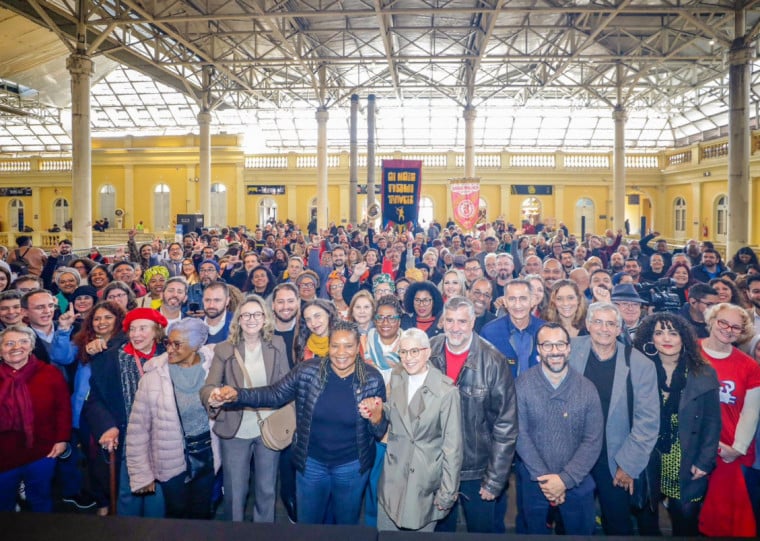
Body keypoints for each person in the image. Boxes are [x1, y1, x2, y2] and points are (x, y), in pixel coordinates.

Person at [208, 320, 388, 525]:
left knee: (346, 525)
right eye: (335, 345)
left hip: (351, 467)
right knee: (307, 525)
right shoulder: (306, 371)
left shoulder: (372, 379)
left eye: (348, 346)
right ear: (328, 346)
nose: (341, 352)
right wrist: (237, 395)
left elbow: (380, 431)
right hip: (311, 465)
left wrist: (377, 417)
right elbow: (274, 394)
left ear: (358, 348)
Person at [567, 302, 660, 535]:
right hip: (573, 454)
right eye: (598, 321)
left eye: (611, 323)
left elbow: (647, 422)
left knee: (618, 523)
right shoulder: (568, 350)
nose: (604, 328)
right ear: (588, 325)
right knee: (570, 522)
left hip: (616, 457)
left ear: (620, 329)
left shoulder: (640, 364)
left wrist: (628, 464)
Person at [359, 327, 463, 531]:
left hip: (423, 483)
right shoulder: (398, 375)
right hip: (392, 477)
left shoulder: (446, 391)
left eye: (414, 351)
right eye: (403, 352)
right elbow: (397, 412)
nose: (408, 358)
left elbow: (453, 448)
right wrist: (376, 409)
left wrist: (448, 493)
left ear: (427, 352)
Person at [430, 296, 517, 533]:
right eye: (450, 321)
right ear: (443, 321)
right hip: (438, 466)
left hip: (478, 470)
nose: (455, 328)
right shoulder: (428, 351)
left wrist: (495, 480)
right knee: (439, 533)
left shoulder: (493, 360)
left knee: (480, 533)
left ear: (472, 322)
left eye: (462, 321)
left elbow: (506, 425)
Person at [199, 295, 290, 522]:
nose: (252, 319)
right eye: (246, 315)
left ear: (265, 318)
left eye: (257, 314)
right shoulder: (224, 348)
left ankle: (263, 533)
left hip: (268, 428)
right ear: (238, 319)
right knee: (234, 491)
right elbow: (207, 387)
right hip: (234, 429)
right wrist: (214, 397)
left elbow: (286, 385)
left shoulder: (277, 344)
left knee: (267, 489)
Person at [631, 313, 721, 536]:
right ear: (650, 339)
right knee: (647, 521)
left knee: (685, 520)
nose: (666, 338)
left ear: (684, 338)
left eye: (673, 332)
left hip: (687, 459)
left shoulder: (703, 372)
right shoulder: (638, 369)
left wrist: (704, 461)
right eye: (659, 333)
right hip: (648, 457)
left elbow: (712, 422)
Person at [515, 322, 603, 535]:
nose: (555, 351)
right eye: (547, 345)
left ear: (569, 348)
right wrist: (547, 480)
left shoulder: (587, 388)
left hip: (577, 480)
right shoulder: (523, 384)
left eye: (560, 344)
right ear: (538, 349)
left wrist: (564, 480)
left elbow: (592, 440)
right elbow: (520, 434)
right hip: (536, 481)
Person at [126, 318, 218, 519]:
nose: (169, 349)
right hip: (171, 459)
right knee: (177, 515)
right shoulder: (153, 377)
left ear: (195, 346)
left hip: (208, 456)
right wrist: (141, 474)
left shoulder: (214, 371)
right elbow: (138, 430)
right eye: (168, 342)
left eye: (177, 344)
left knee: (202, 513)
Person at [83, 307, 168, 517]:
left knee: (159, 497)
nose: (136, 334)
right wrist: (108, 426)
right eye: (132, 329)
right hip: (128, 436)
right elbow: (94, 400)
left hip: (164, 437)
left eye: (143, 328)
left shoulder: (170, 355)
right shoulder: (108, 358)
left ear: (156, 331)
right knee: (127, 496)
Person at [698, 302, 760, 536]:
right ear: (711, 321)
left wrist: (737, 448)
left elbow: (751, 411)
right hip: (692, 443)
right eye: (723, 322)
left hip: (728, 450)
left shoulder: (749, 366)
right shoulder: (690, 352)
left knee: (722, 517)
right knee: (687, 510)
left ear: (742, 332)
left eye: (736, 326)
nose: (728, 329)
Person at [0, 324, 71, 512]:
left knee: (40, 499)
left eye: (23, 341)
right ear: (1, 350)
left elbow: (63, 408)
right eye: (9, 343)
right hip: (3, 453)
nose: (16, 347)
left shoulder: (49, 373)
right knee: (3, 502)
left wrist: (62, 439)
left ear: (32, 346)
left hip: (42, 449)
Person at [481, 279, 545, 378]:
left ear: (532, 301)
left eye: (523, 298)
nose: (517, 304)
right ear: (505, 302)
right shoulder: (490, 332)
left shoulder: (544, 331)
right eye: (512, 299)